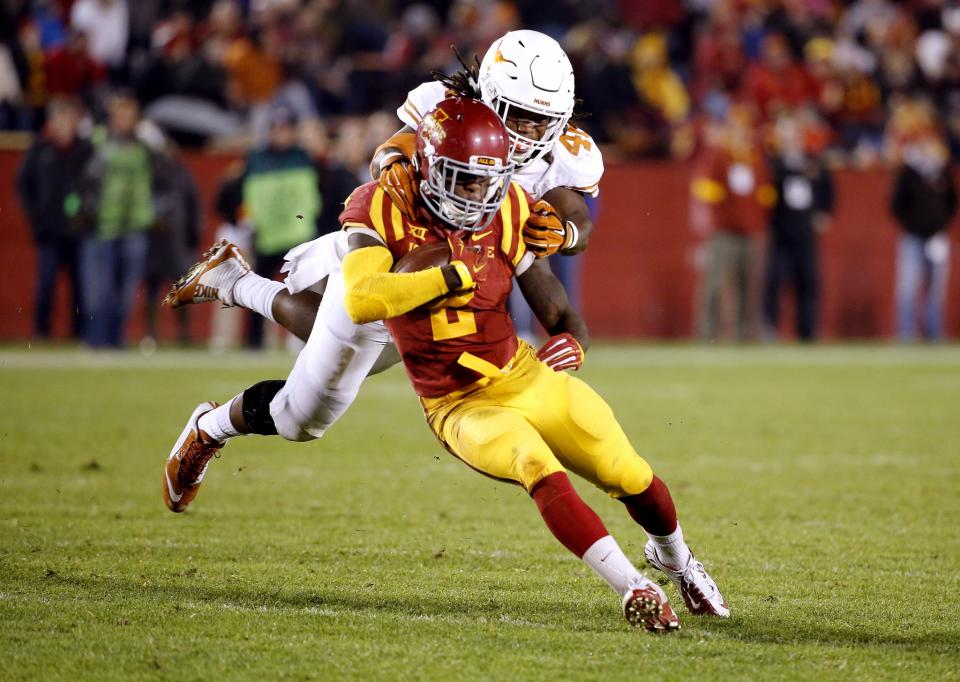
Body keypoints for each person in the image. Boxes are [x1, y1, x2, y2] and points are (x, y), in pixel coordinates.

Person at [161, 98, 728, 631]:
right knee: (302, 415)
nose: (477, 191)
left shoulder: (507, 201)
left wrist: (573, 333)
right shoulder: (389, 194)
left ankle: (677, 562)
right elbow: (363, 299)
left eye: (489, 175)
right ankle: (218, 386)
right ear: (428, 165)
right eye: (462, 176)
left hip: (513, 370)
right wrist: (452, 272)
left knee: (625, 469)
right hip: (400, 307)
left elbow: (555, 289)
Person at [164, 30, 602, 440]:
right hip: (391, 242)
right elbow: (393, 149)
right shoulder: (448, 106)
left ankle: (234, 283)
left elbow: (575, 213)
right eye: (521, 116)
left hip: (450, 277)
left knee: (327, 374)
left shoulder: (561, 156)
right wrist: (391, 165)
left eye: (541, 120)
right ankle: (233, 310)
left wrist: (563, 233)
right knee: (327, 378)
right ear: (490, 94)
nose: (529, 132)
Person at [77, 90, 164, 348]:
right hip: (100, 224)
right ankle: (95, 339)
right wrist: (83, 210)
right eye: (120, 114)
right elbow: (80, 182)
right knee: (97, 290)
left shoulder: (146, 148)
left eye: (129, 114)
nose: (125, 119)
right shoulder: (96, 143)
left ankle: (116, 340)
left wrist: (157, 210)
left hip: (135, 225)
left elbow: (163, 182)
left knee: (127, 292)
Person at [241, 104, 320, 349]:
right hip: (266, 234)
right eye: (277, 128)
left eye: (285, 128)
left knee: (302, 291)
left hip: (296, 235)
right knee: (257, 291)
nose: (281, 133)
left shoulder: (303, 157)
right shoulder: (257, 158)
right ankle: (254, 342)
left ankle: (302, 341)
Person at [693, 105, 774, 341]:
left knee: (747, 287)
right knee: (714, 284)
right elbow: (705, 189)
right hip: (724, 232)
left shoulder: (756, 160)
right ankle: (706, 334)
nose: (741, 134)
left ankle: (744, 335)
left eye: (744, 129)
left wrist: (756, 220)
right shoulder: (719, 156)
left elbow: (766, 195)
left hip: (750, 232)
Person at [15, 97, 92, 339]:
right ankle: (42, 331)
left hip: (77, 229)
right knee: (46, 283)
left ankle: (78, 332)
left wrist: (86, 213)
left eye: (69, 118)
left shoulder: (85, 150)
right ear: (52, 122)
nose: (64, 124)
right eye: (60, 119)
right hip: (48, 229)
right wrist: (35, 215)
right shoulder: (39, 150)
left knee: (80, 285)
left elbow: (93, 185)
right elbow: (23, 184)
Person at [762, 111, 835, 342]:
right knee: (774, 279)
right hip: (781, 230)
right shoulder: (772, 164)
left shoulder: (814, 162)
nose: (791, 138)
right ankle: (770, 328)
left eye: (794, 133)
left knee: (809, 280)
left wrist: (824, 213)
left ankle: (806, 331)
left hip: (805, 231)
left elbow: (829, 190)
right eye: (786, 133)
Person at [890, 132, 957, 341]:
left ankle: (934, 334)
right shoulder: (909, 174)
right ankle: (906, 334)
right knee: (907, 288)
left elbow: (952, 203)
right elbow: (896, 205)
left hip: (937, 239)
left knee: (936, 290)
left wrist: (940, 228)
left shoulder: (943, 172)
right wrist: (913, 226)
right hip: (913, 238)